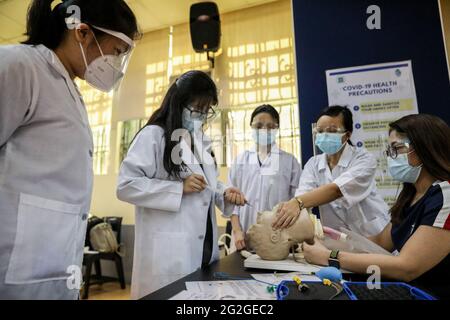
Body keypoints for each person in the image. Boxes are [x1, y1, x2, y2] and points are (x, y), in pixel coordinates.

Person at [0, 0, 139, 299]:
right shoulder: (19, 65)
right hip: (13, 269)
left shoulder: (69, 89)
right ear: (83, 33)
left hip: (54, 268)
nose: (116, 64)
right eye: (116, 52)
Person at [116, 70, 247, 299]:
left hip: (203, 250)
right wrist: (177, 188)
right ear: (179, 103)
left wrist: (223, 193)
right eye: (198, 109)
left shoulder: (199, 140)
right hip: (168, 256)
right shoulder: (153, 136)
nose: (202, 117)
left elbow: (208, 183)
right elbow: (126, 185)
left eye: (207, 111)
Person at [302, 114, 450, 299]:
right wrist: (330, 241)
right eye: (389, 150)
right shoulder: (411, 195)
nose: (391, 157)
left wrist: (328, 256)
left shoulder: (445, 195)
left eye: (397, 148)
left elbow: (407, 267)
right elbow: (381, 241)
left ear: (426, 148)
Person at [273, 106, 390, 236]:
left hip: (373, 236)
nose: (324, 136)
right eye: (320, 131)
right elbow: (304, 197)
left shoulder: (364, 159)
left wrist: (297, 202)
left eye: (332, 131)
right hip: (338, 240)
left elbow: (336, 190)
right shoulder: (313, 164)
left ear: (347, 135)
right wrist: (289, 212)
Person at [228, 104, 301, 251]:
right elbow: (231, 201)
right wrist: (236, 231)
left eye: (269, 126)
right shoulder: (240, 160)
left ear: (276, 128)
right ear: (251, 127)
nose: (263, 130)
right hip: (243, 238)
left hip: (278, 238)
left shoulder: (289, 161)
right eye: (259, 126)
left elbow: (298, 201)